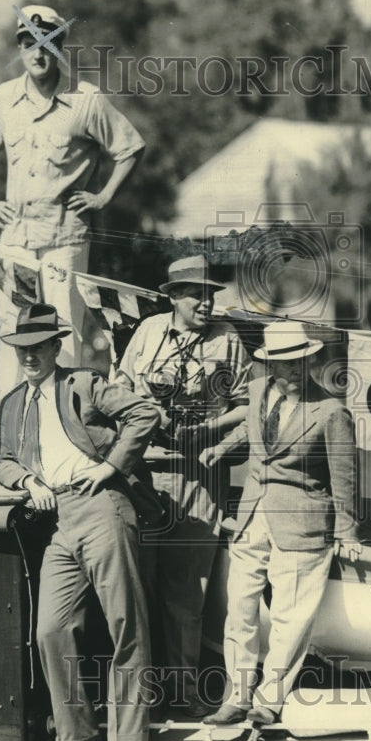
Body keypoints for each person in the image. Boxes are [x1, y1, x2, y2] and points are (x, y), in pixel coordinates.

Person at [0, 4, 145, 450]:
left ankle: (60, 426)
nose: (37, 53)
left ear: (59, 50)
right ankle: (4, 429)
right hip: (16, 239)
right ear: (20, 48)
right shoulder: (3, 99)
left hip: (65, 237)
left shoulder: (85, 100)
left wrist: (103, 196)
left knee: (64, 328)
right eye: (28, 44)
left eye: (47, 44)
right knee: (13, 329)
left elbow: (131, 147)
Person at [0, 303, 160, 741]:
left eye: (38, 348)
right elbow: (3, 459)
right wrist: (29, 483)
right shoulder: (11, 405)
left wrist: (111, 467)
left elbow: (145, 412)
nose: (29, 357)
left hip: (103, 504)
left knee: (124, 620)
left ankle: (127, 739)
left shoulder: (82, 384)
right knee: (51, 628)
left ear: (54, 347)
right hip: (57, 519)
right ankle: (77, 737)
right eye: (22, 349)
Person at [200, 324, 362, 726]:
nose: (292, 371)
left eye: (298, 362)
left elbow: (345, 475)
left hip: (302, 523)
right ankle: (235, 697)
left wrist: (346, 530)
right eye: (283, 364)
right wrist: (221, 447)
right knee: (239, 609)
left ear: (310, 360)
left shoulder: (331, 411)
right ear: (270, 364)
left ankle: (268, 702)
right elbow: (250, 430)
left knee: (290, 619)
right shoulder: (257, 391)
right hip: (253, 515)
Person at [115, 256, 251, 717]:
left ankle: (185, 693)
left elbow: (249, 405)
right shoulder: (148, 332)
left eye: (213, 295)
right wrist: (149, 414)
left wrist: (210, 426)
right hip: (144, 472)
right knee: (137, 584)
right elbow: (118, 389)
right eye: (197, 295)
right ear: (174, 296)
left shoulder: (227, 340)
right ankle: (139, 700)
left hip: (201, 473)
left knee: (188, 590)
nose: (208, 303)